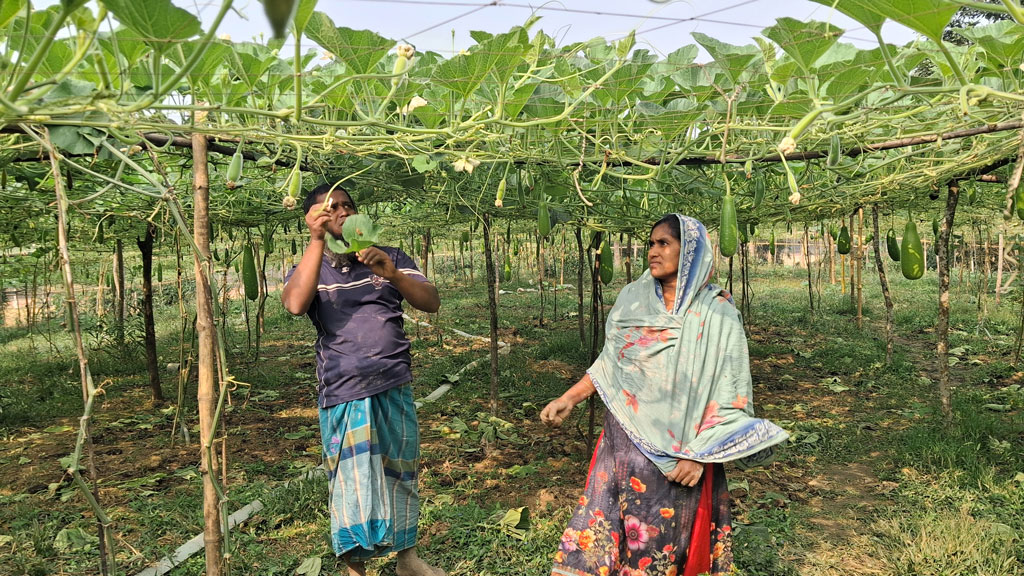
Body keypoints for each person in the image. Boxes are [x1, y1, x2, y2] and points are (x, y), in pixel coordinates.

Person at [540, 214, 788, 576]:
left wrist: (699, 455)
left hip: (679, 456)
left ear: (690, 252)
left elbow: (729, 389)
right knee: (605, 531)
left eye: (664, 243)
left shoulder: (716, 311)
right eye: (651, 244)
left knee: (659, 543)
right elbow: (611, 363)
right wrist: (569, 398)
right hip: (623, 442)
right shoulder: (633, 300)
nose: (653, 251)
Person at [281, 181, 444, 576]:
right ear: (314, 218)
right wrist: (315, 239)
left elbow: (431, 302)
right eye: (330, 207)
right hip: (343, 388)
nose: (341, 212)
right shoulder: (310, 266)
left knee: (400, 472)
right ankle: (356, 571)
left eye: (347, 205)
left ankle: (407, 559)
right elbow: (295, 304)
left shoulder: (389, 256)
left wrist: (392, 274)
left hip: (394, 381)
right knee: (351, 482)